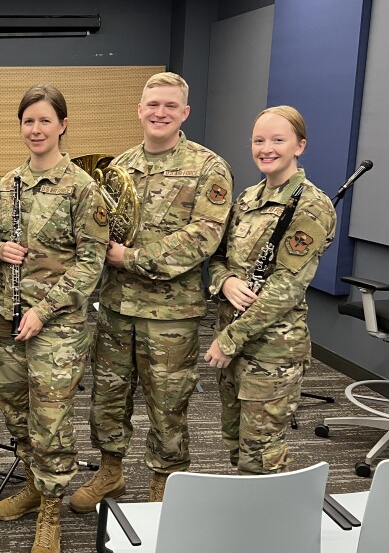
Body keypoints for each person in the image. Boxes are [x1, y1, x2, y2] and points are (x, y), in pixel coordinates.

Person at [71, 72, 234, 509]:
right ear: (139, 110)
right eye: (152, 105)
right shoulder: (118, 166)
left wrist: (131, 258)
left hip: (171, 314)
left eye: (169, 106)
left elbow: (205, 236)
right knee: (107, 397)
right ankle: (110, 473)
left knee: (167, 403)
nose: (159, 112)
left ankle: (165, 483)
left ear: (185, 113)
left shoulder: (208, 167)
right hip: (116, 307)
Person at [0, 85, 107, 553]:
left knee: (51, 419)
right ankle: (34, 486)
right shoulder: (8, 183)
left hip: (56, 325)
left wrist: (44, 308)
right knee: (15, 411)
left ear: (62, 125)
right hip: (5, 318)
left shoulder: (82, 188)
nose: (35, 130)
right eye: (28, 121)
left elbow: (91, 262)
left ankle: (51, 510)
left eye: (44, 121)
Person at [205, 105, 335, 475]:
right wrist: (226, 281)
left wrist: (230, 340)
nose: (266, 148)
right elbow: (216, 259)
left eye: (278, 140)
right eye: (259, 140)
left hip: (271, 351)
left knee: (262, 454)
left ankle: (271, 526)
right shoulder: (247, 199)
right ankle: (249, 517)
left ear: (300, 145)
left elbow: (286, 289)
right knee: (235, 442)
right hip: (233, 341)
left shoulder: (311, 206)